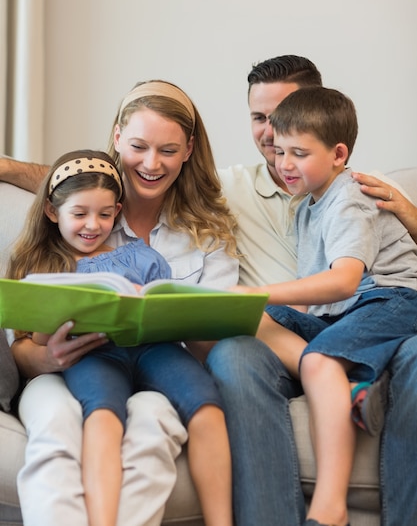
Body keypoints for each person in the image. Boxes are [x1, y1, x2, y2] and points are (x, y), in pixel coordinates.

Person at [3, 57, 417, 525]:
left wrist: (408, 212)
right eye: (261, 118)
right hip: (116, 357)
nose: (273, 134)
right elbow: (68, 185)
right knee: (222, 357)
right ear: (118, 138)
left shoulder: (328, 193)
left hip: (353, 313)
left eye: (284, 119)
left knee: (170, 409)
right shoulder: (116, 205)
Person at [9, 80, 239, 526]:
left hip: (161, 357)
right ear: (117, 138)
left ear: (189, 149)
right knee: (78, 418)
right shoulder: (75, 221)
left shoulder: (203, 232)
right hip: (85, 360)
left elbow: (213, 338)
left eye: (167, 150)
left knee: (159, 419)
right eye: (138, 146)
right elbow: (63, 186)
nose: (151, 163)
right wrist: (46, 352)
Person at [205, 55, 417, 526]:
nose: (278, 151)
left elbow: (344, 280)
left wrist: (262, 294)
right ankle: (354, 384)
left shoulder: (354, 194)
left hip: (387, 299)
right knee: (252, 327)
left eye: (294, 147)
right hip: (340, 314)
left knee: (319, 356)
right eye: (263, 124)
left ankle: (330, 507)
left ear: (337, 152)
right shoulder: (298, 200)